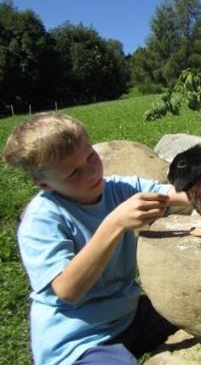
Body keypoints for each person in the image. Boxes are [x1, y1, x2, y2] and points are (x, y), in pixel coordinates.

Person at [3, 113, 191, 365]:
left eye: (91, 156)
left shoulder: (116, 189)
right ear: (43, 184)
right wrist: (114, 224)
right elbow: (66, 291)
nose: (92, 172)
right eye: (74, 173)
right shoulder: (42, 220)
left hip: (128, 314)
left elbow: (178, 195)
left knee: (200, 312)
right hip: (80, 339)